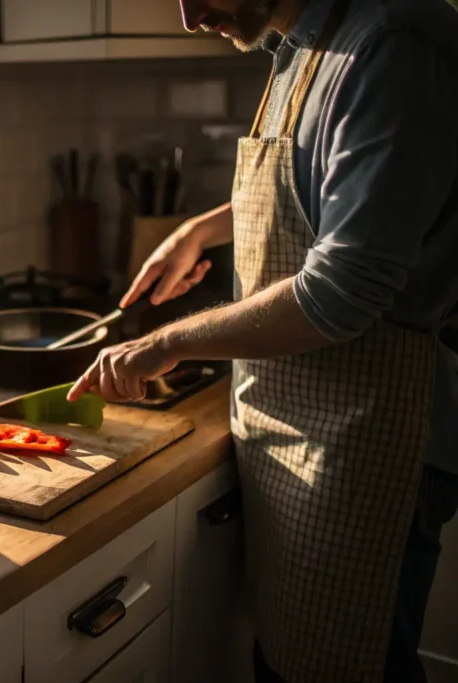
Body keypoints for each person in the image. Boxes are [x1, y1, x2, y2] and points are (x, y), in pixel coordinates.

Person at [67, 0, 458, 681]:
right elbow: (330, 186)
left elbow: (345, 289)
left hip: (377, 433)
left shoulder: (395, 40)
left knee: (353, 667)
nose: (189, 17)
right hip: (299, 426)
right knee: (292, 659)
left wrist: (166, 343)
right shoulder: (297, 44)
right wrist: (204, 227)